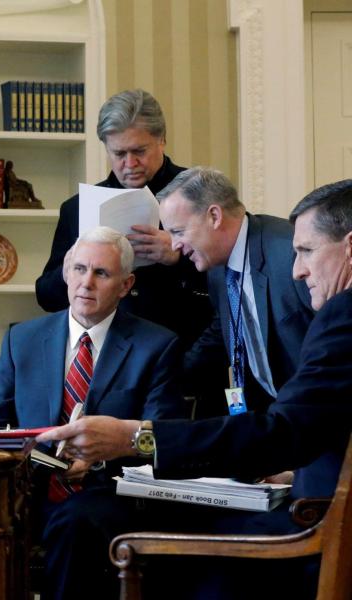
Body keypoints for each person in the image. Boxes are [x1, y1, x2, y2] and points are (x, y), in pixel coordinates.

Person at [36, 179, 352, 599]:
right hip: (293, 474)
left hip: (312, 516)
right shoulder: (222, 274)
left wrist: (136, 436)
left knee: (100, 526)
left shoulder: (336, 308)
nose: (299, 268)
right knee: (89, 517)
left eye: (307, 251)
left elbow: (288, 426)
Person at [0, 226, 187, 600]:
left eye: (101, 273)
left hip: (112, 494)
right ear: (66, 272)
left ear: (125, 284)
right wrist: (37, 459)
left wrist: (100, 457)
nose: (86, 282)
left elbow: (163, 439)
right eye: (79, 269)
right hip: (30, 488)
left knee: (73, 521)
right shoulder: (21, 339)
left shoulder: (157, 345)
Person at [35, 90, 213, 356]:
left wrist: (178, 258)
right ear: (106, 147)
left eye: (139, 151)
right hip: (104, 361)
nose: (130, 164)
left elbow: (234, 283)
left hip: (185, 354)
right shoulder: (76, 208)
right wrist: (71, 270)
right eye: (118, 153)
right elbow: (47, 298)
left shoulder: (201, 193)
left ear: (162, 140)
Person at [160, 167, 314, 414]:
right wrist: (164, 376)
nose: (174, 244)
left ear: (214, 216)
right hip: (271, 416)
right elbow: (225, 328)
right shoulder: (217, 265)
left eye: (178, 231)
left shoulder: (290, 253)